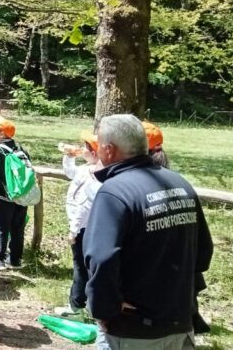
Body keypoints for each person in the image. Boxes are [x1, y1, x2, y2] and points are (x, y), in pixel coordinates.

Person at [85, 114, 212, 350]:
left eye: (99, 143)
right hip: (180, 321)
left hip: (135, 330)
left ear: (109, 149)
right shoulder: (179, 183)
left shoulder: (114, 192)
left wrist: (105, 309)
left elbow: (101, 258)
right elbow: (203, 253)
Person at [54, 132, 102, 319]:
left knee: (81, 267)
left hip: (84, 228)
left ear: (95, 152)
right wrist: (68, 157)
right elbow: (70, 172)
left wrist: (74, 230)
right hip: (84, 226)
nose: (83, 149)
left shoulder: (94, 175)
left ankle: (76, 306)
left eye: (87, 147)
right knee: (87, 267)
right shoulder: (87, 169)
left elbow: (84, 207)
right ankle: (89, 306)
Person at [0, 115, 30, 270]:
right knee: (17, 228)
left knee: (0, 226)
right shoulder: (20, 149)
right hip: (21, 195)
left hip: (2, 195)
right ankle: (15, 260)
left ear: (1, 133)